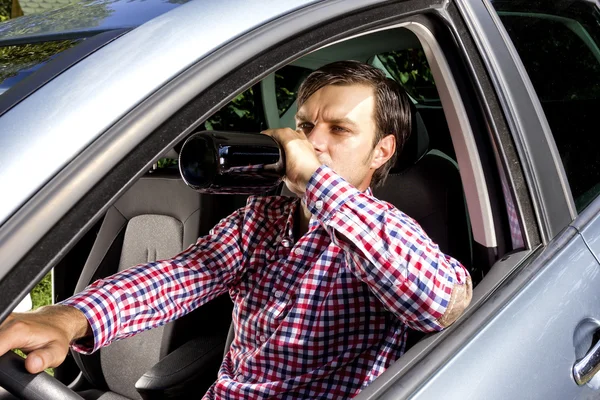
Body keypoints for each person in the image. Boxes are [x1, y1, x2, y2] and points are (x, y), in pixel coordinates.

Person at [0, 60, 472, 399]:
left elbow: (441, 302)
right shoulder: (263, 217)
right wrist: (68, 317)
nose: (313, 142)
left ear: (382, 151)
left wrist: (314, 181)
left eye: (340, 130)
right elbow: (184, 274)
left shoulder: (388, 232)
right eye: (306, 125)